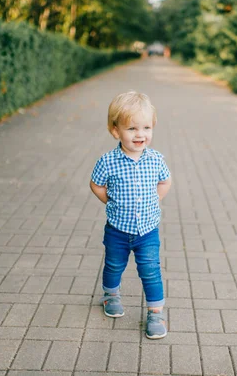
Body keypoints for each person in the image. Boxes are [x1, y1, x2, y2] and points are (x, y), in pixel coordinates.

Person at [90, 91, 172, 339]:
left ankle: (155, 312)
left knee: (150, 270)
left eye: (146, 127)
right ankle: (111, 295)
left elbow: (165, 182)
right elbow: (96, 185)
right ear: (116, 131)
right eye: (132, 128)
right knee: (114, 265)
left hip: (147, 231)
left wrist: (155, 200)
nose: (140, 134)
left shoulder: (156, 160)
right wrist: (109, 201)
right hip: (117, 229)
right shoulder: (107, 161)